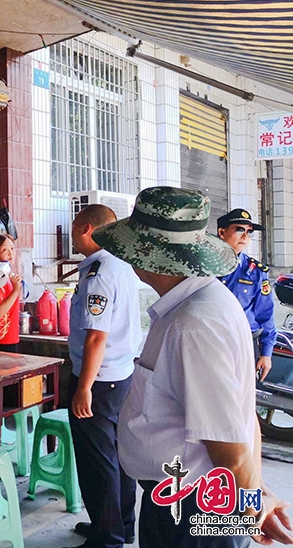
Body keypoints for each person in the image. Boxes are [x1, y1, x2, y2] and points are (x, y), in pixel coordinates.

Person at [92, 186, 293, 548]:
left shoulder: (193, 324)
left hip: (194, 513)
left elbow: (230, 450)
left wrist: (250, 509)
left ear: (150, 254)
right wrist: (255, 497)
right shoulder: (196, 305)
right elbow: (242, 420)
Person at [66, 205, 141, 548]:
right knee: (119, 455)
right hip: (121, 374)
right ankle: (120, 525)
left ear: (86, 228)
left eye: (73, 227)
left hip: (99, 379)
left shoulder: (100, 271)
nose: (71, 233)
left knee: (98, 460)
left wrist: (83, 387)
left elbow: (97, 336)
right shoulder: (120, 264)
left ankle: (106, 537)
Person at [216, 209, 276, 381]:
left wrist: (266, 353)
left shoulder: (256, 272)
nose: (245, 236)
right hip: (208, 339)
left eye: (250, 232)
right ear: (222, 232)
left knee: (243, 397)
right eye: (239, 229)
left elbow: (265, 314)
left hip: (244, 343)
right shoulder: (204, 268)